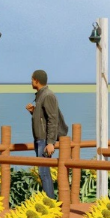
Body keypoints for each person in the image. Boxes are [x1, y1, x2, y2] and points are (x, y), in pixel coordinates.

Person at [26, 69, 65, 199]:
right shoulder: (41, 95)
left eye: (32, 79)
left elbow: (53, 120)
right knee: (43, 172)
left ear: (37, 80)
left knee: (44, 172)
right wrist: (33, 111)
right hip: (39, 139)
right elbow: (43, 118)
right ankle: (49, 202)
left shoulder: (47, 95)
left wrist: (50, 143)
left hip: (44, 140)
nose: (30, 81)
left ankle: (51, 203)